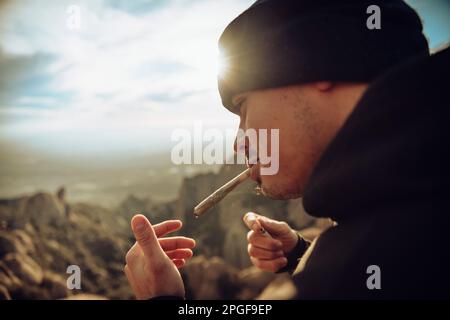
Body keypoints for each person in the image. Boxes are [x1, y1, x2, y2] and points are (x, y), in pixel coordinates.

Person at [124, 0, 450, 299]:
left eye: (243, 105)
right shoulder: (412, 199)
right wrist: (301, 254)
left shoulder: (372, 255)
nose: (240, 142)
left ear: (321, 63)